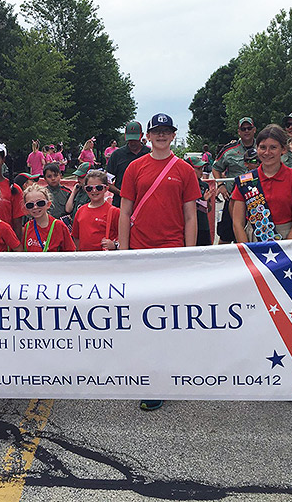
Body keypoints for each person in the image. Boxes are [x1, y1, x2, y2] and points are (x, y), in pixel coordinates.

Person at [118, 114, 201, 412]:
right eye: (157, 132)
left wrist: (188, 253)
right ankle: (145, 374)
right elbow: (125, 212)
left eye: (167, 131)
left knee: (166, 318)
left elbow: (191, 214)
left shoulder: (184, 170)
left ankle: (161, 378)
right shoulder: (134, 168)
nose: (162, 136)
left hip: (171, 250)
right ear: (148, 137)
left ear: (173, 135)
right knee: (141, 316)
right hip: (140, 250)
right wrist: (124, 252)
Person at [231, 124, 292, 242]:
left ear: (283, 149)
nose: (267, 153)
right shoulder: (246, 180)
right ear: (257, 149)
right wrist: (247, 251)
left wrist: (284, 252)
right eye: (262, 147)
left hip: (287, 238)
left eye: (273, 147)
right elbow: (237, 223)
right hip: (253, 238)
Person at [212, 117, 257, 244]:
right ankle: (221, 262)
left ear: (254, 130)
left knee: (256, 234)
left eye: (249, 128)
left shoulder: (263, 147)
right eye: (243, 129)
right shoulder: (229, 149)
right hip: (234, 198)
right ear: (239, 131)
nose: (246, 131)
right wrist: (221, 185)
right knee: (226, 235)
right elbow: (216, 168)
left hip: (258, 199)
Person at [72, 169, 120, 251]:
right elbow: (76, 238)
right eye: (89, 188)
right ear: (85, 189)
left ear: (106, 188)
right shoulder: (80, 211)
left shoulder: (115, 212)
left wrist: (115, 245)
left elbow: (125, 238)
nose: (94, 191)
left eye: (99, 187)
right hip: (85, 260)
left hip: (106, 260)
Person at [105, 120, 149, 209]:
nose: (132, 142)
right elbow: (107, 182)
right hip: (120, 203)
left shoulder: (150, 153)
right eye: (130, 139)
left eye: (135, 139)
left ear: (141, 135)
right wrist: (122, 193)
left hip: (145, 204)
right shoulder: (117, 155)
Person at [21, 184, 76, 252]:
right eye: (30, 205)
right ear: (26, 208)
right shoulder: (27, 227)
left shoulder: (59, 226)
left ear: (48, 204)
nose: (35, 207)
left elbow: (70, 253)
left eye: (40, 203)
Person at [184, 156, 214, 246]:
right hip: (188, 227)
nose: (201, 171)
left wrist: (206, 201)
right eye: (198, 168)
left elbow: (209, 209)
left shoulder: (204, 185)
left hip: (203, 226)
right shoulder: (183, 184)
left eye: (202, 168)